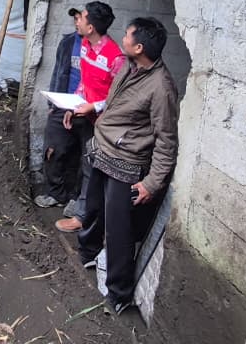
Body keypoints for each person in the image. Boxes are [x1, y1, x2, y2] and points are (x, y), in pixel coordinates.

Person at [76, 17, 179, 315]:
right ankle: (89, 254)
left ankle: (118, 294)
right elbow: (113, 102)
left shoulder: (162, 88)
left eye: (127, 34)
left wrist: (152, 183)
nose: (122, 37)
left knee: (119, 231)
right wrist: (93, 109)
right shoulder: (128, 66)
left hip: (126, 163)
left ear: (139, 46)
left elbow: (166, 141)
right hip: (102, 149)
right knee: (93, 210)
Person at [36, 3, 123, 230]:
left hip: (101, 122)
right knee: (59, 148)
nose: (78, 20)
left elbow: (120, 97)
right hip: (81, 111)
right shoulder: (84, 44)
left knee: (90, 166)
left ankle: (82, 215)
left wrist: (93, 107)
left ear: (91, 26)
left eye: (81, 18)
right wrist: (71, 107)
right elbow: (84, 82)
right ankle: (60, 196)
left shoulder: (116, 58)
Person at [34, 8, 84, 209]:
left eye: (80, 17)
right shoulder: (68, 42)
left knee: (81, 157)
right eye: (75, 17)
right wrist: (52, 104)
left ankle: (75, 199)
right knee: (53, 150)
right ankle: (55, 193)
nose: (76, 21)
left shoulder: (102, 50)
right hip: (63, 105)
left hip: (88, 110)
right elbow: (58, 73)